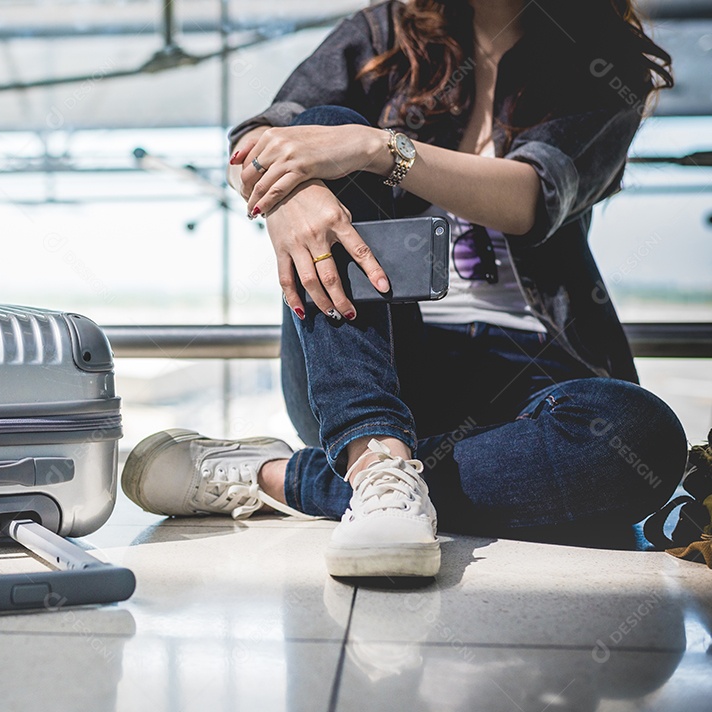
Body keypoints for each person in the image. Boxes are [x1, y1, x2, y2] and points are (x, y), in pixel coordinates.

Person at [122, 0, 688, 578]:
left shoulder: (604, 60)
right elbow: (256, 142)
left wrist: (376, 148)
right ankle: (374, 453)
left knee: (642, 438)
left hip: (532, 367)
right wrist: (293, 195)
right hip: (373, 356)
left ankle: (296, 478)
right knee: (319, 120)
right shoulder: (382, 32)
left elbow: (530, 199)